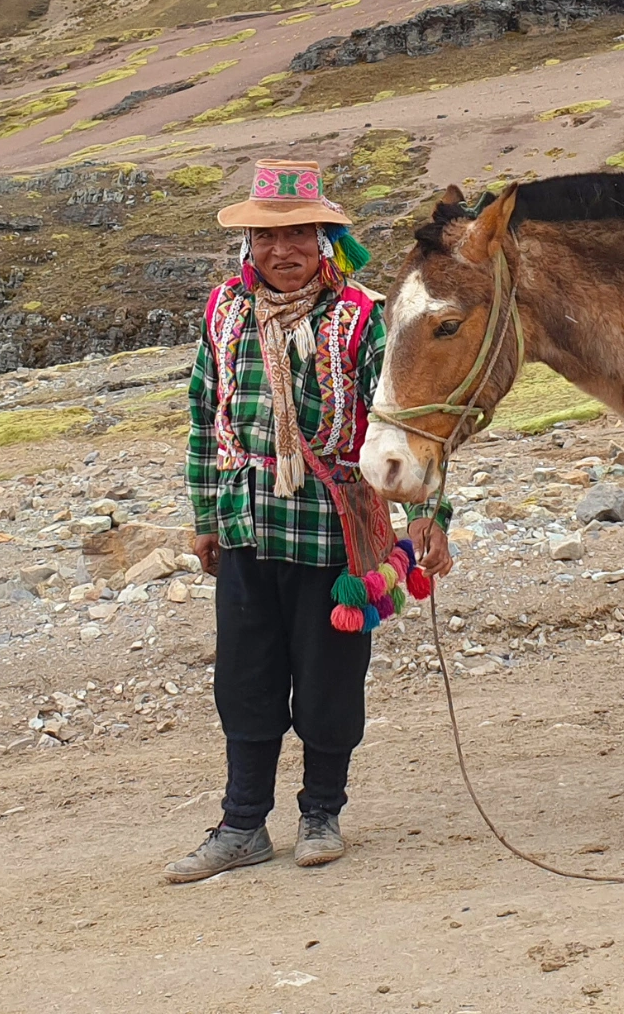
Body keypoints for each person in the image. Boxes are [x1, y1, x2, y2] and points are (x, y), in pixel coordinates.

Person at [167, 158, 453, 884]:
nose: (281, 250)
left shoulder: (363, 317)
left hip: (336, 531)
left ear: (325, 240)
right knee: (245, 680)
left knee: (329, 681)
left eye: (298, 234)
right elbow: (205, 413)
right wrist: (206, 514)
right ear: (249, 245)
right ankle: (242, 824)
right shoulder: (225, 312)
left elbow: (408, 422)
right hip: (246, 523)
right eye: (267, 236)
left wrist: (429, 516)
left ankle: (322, 813)